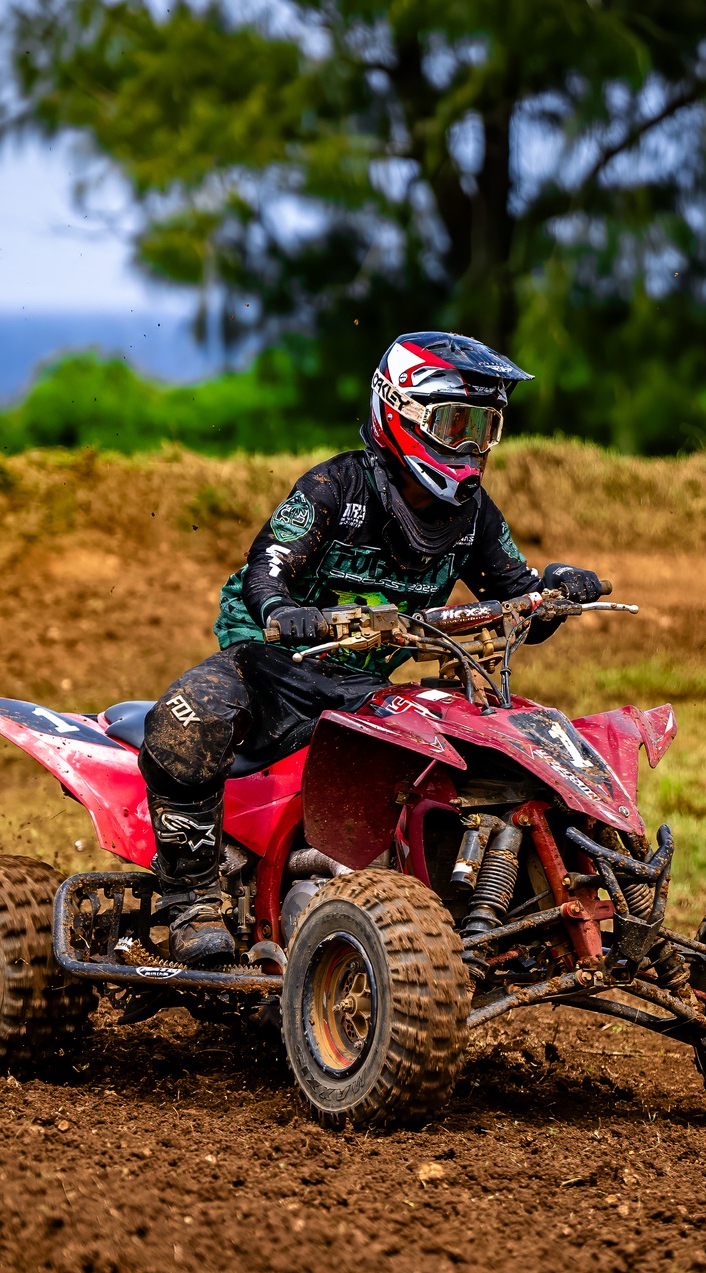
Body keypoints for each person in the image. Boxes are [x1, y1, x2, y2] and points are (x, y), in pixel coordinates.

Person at [139, 332, 608, 963]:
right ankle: (190, 903)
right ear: (403, 413)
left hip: (365, 686)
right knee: (185, 720)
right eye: (454, 424)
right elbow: (266, 568)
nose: (470, 446)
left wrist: (554, 594)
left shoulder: (473, 516)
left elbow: (515, 597)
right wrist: (283, 610)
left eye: (483, 428)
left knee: (466, 754)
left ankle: (439, 900)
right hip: (271, 664)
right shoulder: (334, 488)